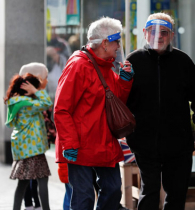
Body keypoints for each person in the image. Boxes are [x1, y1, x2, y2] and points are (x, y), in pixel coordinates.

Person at [125, 12, 195, 209]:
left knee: (177, 193)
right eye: (153, 31)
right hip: (144, 141)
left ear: (172, 35)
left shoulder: (182, 61)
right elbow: (121, 98)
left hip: (178, 142)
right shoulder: (134, 61)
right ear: (145, 33)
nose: (159, 36)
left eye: (164, 32)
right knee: (150, 191)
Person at [54, 16, 134, 209]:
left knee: (114, 190)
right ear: (105, 43)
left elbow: (116, 105)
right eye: (116, 41)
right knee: (83, 199)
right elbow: (61, 109)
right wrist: (70, 143)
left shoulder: (107, 67)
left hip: (104, 144)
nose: (118, 46)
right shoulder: (78, 65)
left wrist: (124, 81)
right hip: (80, 146)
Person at [4, 72, 52, 210]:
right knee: (42, 180)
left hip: (24, 149)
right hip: (33, 148)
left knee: (22, 184)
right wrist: (36, 91)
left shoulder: (16, 101)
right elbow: (47, 103)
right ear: (28, 88)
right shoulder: (27, 104)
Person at [19, 62, 51, 210]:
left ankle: (34, 204)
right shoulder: (28, 100)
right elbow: (46, 104)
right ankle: (30, 205)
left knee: (32, 178)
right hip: (30, 146)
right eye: (45, 77)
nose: (48, 80)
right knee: (29, 177)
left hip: (36, 145)